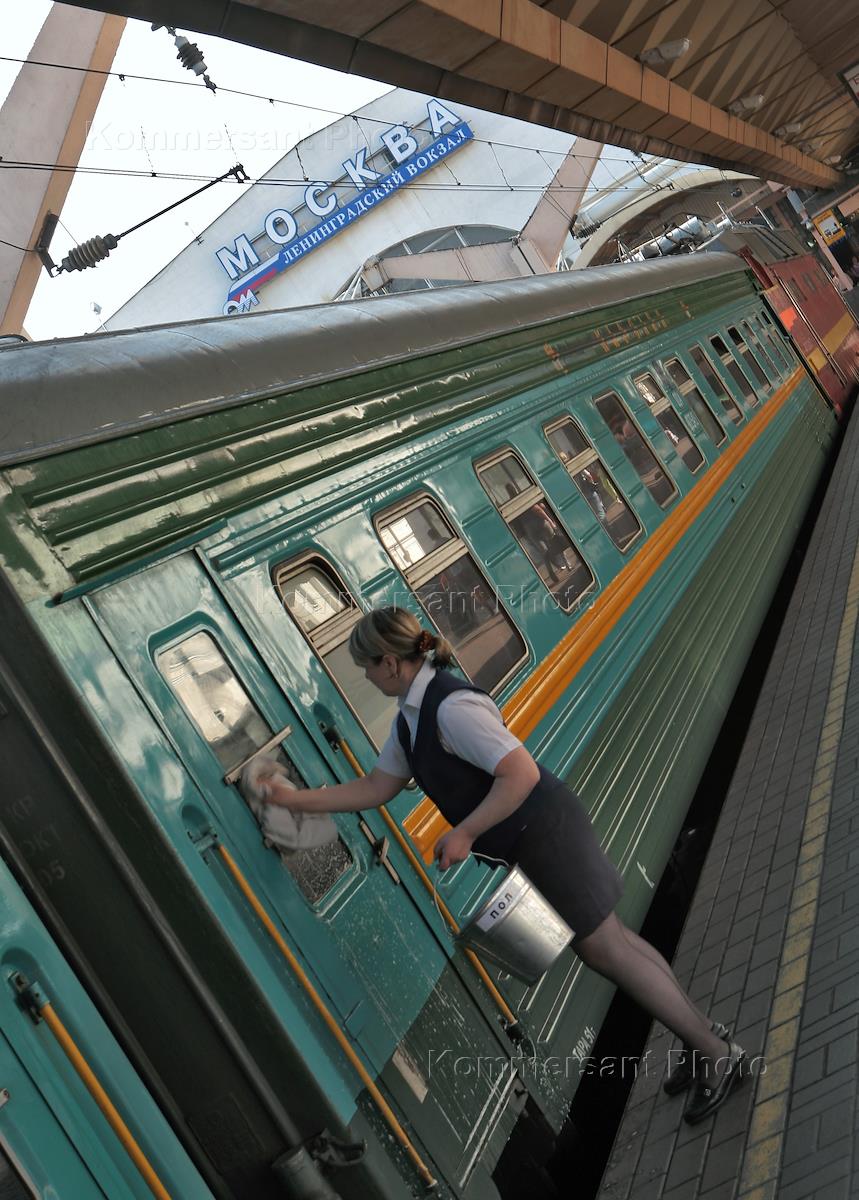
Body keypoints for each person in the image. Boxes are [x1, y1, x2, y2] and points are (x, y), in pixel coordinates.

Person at [255, 607, 745, 1124]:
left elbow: (520, 773)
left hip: (547, 834)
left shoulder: (450, 709)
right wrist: (293, 799)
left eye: (367, 667)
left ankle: (717, 1054)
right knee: (613, 943)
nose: (367, 677)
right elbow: (375, 788)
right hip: (532, 841)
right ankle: (701, 1038)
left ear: (391, 663)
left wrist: (465, 832)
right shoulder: (410, 719)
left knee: (607, 950)